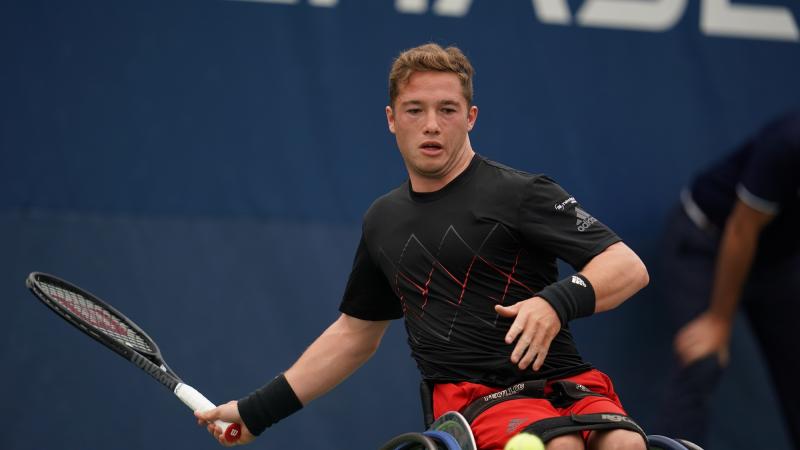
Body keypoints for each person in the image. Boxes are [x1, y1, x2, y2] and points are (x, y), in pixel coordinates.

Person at [196, 43, 650, 450]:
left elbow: (627, 266)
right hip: (473, 401)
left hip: (569, 384)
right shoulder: (384, 221)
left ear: (470, 117)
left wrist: (555, 303)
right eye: (415, 110)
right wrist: (257, 413)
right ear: (392, 120)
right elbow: (354, 335)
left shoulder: (522, 193)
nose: (431, 125)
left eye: (447, 110)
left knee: (626, 445)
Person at [656, 112, 800, 448]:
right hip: (705, 243)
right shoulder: (786, 143)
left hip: (777, 260)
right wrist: (719, 320)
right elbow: (741, 231)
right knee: (703, 359)